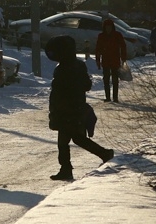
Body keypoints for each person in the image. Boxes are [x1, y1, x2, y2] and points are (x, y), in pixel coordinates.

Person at [46, 34, 113, 181]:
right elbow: (87, 85)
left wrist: (57, 109)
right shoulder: (78, 65)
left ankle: (66, 169)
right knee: (77, 138)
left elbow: (58, 92)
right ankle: (103, 154)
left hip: (67, 111)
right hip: (76, 108)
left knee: (64, 141)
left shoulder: (63, 69)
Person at [94, 17, 128, 102]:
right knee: (106, 79)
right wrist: (97, 59)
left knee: (115, 79)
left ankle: (115, 97)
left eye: (109, 27)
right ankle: (108, 97)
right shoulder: (101, 36)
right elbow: (98, 48)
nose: (108, 29)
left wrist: (123, 58)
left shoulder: (117, 35)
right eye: (106, 27)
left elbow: (123, 46)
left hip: (115, 59)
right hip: (105, 59)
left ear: (112, 27)